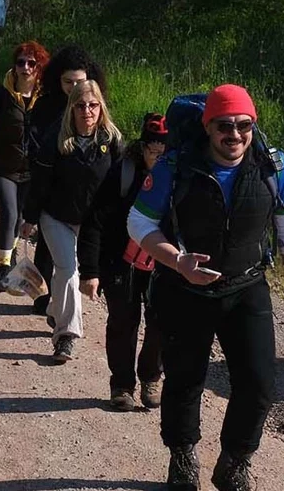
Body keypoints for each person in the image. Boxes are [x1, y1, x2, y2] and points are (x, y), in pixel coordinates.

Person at [127, 84, 284, 491]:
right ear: (207, 126)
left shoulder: (273, 167)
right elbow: (138, 223)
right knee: (184, 380)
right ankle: (182, 458)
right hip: (183, 289)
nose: (235, 134)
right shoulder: (175, 166)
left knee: (259, 383)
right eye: (224, 125)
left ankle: (234, 462)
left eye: (244, 125)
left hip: (246, 287)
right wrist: (177, 261)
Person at [21, 79, 123, 363]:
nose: (87, 111)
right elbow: (40, 182)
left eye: (93, 105)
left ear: (101, 107)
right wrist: (29, 218)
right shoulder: (57, 139)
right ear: (72, 108)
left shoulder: (112, 140)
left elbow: (122, 184)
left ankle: (57, 310)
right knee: (68, 271)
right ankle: (66, 335)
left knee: (68, 274)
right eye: (80, 106)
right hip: (57, 217)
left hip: (93, 224)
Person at [79, 113, 168, 412]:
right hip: (121, 261)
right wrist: (90, 271)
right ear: (142, 148)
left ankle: (151, 377)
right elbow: (95, 221)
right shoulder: (123, 173)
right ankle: (122, 385)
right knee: (122, 322)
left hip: (160, 264)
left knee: (160, 322)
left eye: (165, 152)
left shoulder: (177, 177)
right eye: (154, 151)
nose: (159, 158)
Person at [28, 44, 109, 314]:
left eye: (80, 82)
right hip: (50, 190)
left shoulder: (95, 110)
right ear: (57, 80)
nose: (74, 87)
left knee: (72, 259)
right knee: (48, 249)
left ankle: (59, 306)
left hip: (85, 198)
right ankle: (45, 297)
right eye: (68, 82)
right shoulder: (46, 106)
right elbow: (34, 145)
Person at [0, 40, 49, 290]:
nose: (25, 68)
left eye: (31, 63)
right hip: (1, 168)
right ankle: (3, 267)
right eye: (21, 62)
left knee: (20, 217)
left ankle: (10, 253)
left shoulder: (46, 99)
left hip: (30, 170)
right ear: (14, 66)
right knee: (9, 212)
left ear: (39, 68)